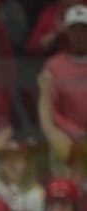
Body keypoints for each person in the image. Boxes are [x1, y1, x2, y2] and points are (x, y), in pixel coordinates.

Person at [39, 7, 87, 160]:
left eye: (83, 29)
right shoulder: (53, 66)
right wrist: (74, 132)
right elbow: (49, 108)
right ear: (67, 32)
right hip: (65, 143)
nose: (79, 35)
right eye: (74, 30)